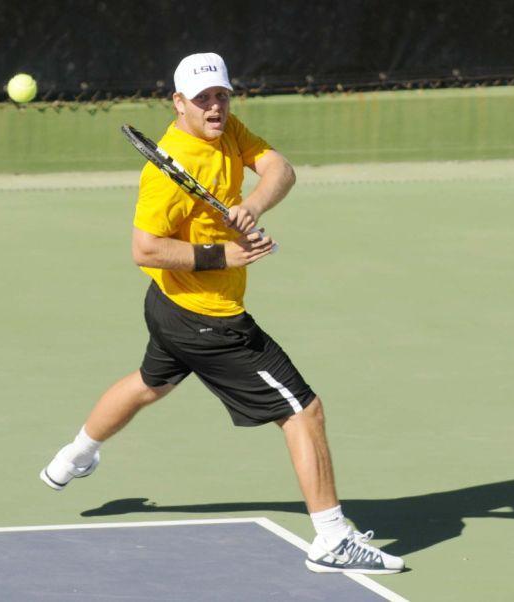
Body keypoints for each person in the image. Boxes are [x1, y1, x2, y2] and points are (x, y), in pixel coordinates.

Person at [40, 52, 404, 575]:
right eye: (203, 98)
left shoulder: (228, 129)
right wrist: (221, 256)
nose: (215, 106)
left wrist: (251, 207)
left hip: (170, 307)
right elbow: (144, 250)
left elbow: (281, 168)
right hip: (208, 320)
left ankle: (74, 456)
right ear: (178, 103)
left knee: (150, 383)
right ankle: (331, 537)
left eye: (221, 95)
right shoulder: (168, 169)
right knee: (303, 410)